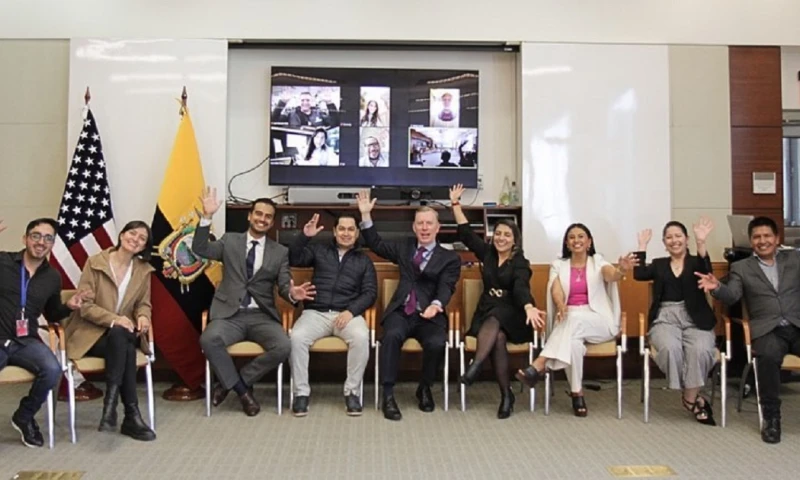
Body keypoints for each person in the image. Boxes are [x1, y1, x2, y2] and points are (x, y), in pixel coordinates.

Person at [194, 188, 315, 417]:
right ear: (250, 216)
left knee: (283, 346)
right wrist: (206, 217)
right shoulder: (229, 241)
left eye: (268, 216)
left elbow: (283, 286)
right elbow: (200, 249)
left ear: (272, 222)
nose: (262, 219)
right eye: (258, 214)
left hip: (261, 315)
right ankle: (242, 391)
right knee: (209, 339)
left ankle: (232, 383)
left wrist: (292, 294)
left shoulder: (279, 252)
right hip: (230, 314)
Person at [356, 190, 461, 421]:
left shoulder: (449, 258)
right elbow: (376, 243)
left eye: (429, 224)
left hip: (430, 314)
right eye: (420, 223)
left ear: (437, 228)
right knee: (391, 336)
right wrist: (366, 215)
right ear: (414, 228)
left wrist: (437, 304)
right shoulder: (404, 249)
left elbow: (447, 286)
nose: (424, 228)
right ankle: (388, 394)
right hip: (402, 311)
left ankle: (424, 388)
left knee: (436, 343)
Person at [697, 216, 800, 444]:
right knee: (768, 356)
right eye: (757, 237)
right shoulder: (741, 267)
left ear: (777, 238)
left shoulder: (794, 259)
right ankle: (771, 418)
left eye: (767, 236)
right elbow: (732, 294)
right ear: (751, 241)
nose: (762, 241)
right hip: (768, 330)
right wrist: (716, 288)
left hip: (797, 324)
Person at [516, 223, 636, 416]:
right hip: (569, 317)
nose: (576, 240)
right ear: (567, 243)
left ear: (589, 242)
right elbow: (555, 289)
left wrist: (621, 270)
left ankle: (540, 362)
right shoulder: (559, 265)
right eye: (572, 237)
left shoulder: (598, 261)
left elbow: (610, 275)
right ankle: (577, 393)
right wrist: (561, 306)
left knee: (573, 320)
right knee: (573, 344)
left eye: (581, 236)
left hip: (599, 320)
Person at [449, 185, 544, 419]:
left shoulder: (520, 262)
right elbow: (466, 234)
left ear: (515, 240)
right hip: (487, 315)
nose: (501, 238)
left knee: (498, 316)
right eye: (498, 233)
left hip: (514, 315)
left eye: (507, 235)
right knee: (498, 337)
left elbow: (521, 286)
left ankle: (476, 364)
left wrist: (529, 306)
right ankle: (505, 395)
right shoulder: (487, 254)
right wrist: (455, 204)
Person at [0, 218, 90, 447]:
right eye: (36, 236)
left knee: (52, 369)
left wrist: (69, 307)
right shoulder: (3, 261)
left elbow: (53, 313)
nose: (41, 242)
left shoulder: (52, 277)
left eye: (48, 238)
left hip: (25, 341)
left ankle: (24, 416)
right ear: (25, 239)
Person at [64, 220, 157, 441]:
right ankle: (130, 414)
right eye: (132, 233)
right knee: (123, 342)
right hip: (91, 335)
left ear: (144, 246)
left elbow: (144, 304)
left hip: (119, 336)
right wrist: (115, 319)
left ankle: (112, 407)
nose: (135, 239)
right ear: (122, 235)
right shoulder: (95, 262)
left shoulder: (143, 271)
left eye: (141, 238)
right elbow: (84, 306)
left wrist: (144, 316)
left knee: (121, 338)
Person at [288, 213, 377, 417]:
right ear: (335, 232)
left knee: (362, 337)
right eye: (342, 229)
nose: (346, 233)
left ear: (357, 233)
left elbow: (370, 293)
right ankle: (301, 393)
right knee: (297, 337)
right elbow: (294, 257)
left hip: (347, 314)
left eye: (351, 229)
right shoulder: (319, 251)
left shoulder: (364, 260)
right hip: (316, 312)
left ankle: (352, 392)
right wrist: (304, 236)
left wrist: (351, 311)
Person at [633, 218, 717, 426]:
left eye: (678, 236)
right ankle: (694, 398)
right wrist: (642, 246)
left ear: (686, 239)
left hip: (695, 317)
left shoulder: (697, 262)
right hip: (665, 317)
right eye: (669, 237)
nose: (674, 240)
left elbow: (707, 269)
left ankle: (689, 399)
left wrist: (701, 242)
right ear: (664, 242)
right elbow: (639, 274)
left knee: (700, 350)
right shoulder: (660, 264)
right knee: (670, 349)